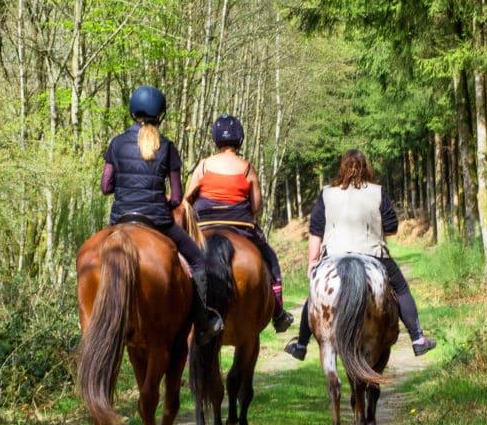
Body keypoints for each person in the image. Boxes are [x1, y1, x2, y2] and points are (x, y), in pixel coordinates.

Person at [284, 148, 437, 360]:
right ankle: (418, 339)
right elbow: (392, 227)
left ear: (342, 168)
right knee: (401, 288)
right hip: (372, 253)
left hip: (333, 255)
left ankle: (300, 345)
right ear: (366, 167)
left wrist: (312, 261)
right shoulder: (377, 192)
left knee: (313, 297)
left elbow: (316, 231)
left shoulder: (327, 193)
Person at [100, 85, 222, 345]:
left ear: (133, 112)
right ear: (161, 114)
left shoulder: (116, 143)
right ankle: (203, 322)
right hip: (157, 221)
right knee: (198, 259)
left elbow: (105, 186)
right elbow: (177, 198)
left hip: (120, 218)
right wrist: (158, 200)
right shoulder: (167, 147)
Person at [183, 114, 295, 333]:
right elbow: (256, 205)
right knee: (270, 261)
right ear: (240, 139)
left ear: (216, 139)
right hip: (241, 227)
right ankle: (279, 312)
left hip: (204, 226)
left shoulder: (204, 166)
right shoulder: (247, 168)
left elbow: (188, 199)